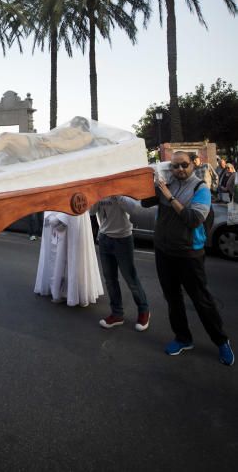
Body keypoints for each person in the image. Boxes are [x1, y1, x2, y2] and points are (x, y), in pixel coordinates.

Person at [142, 150, 234, 366]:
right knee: (173, 299)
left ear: (193, 164)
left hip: (189, 254)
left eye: (184, 165)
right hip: (164, 252)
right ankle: (183, 338)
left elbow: (193, 219)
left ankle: (221, 341)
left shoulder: (199, 188)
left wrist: (169, 196)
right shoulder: (166, 184)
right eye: (175, 166)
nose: (179, 169)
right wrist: (150, 182)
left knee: (201, 300)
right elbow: (145, 203)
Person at [91, 196, 150, 331]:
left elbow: (134, 209)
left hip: (123, 239)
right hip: (105, 238)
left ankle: (144, 310)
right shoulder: (99, 189)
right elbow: (91, 211)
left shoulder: (121, 188)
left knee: (130, 278)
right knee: (110, 280)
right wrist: (95, 196)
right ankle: (117, 314)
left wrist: (116, 194)